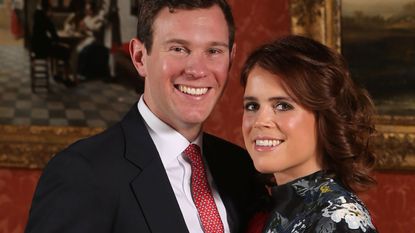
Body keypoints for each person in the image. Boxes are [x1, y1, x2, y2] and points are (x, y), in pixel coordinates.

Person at [24, 0, 266, 232]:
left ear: (231, 58)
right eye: (178, 49)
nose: (197, 70)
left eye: (214, 51)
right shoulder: (81, 174)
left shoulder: (240, 168)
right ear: (139, 57)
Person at [241, 35, 378, 233]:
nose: (260, 121)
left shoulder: (339, 220)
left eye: (282, 105)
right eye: (252, 106)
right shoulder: (266, 207)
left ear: (325, 116)